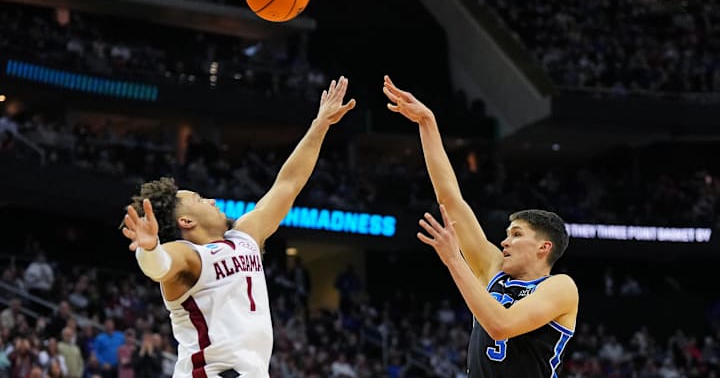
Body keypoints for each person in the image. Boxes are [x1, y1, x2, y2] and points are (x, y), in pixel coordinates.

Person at [121, 75, 356, 378]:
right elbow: (160, 267)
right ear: (186, 221)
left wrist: (320, 125)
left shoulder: (245, 235)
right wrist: (149, 248)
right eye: (199, 198)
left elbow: (288, 184)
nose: (213, 200)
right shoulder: (190, 256)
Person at [383, 75, 578, 378]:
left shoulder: (560, 288)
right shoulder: (493, 267)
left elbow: (501, 326)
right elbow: (450, 199)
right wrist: (427, 124)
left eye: (516, 235)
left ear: (544, 246)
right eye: (506, 235)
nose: (505, 242)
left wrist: (453, 260)